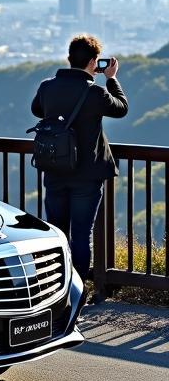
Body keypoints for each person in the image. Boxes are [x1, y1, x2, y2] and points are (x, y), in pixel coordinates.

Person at [31, 34, 128, 279]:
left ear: (69, 58)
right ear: (94, 62)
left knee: (57, 234)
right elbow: (121, 108)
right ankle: (79, 291)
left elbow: (36, 109)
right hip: (87, 175)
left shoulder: (47, 86)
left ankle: (56, 289)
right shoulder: (95, 93)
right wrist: (112, 79)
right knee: (81, 236)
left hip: (54, 171)